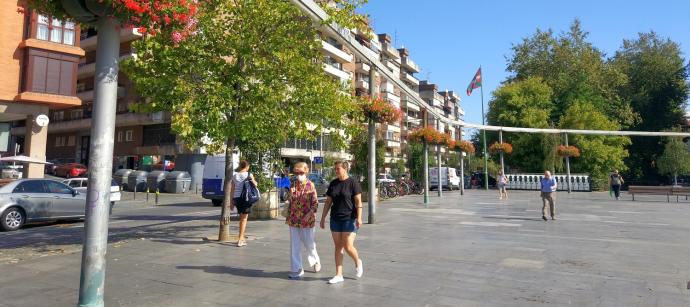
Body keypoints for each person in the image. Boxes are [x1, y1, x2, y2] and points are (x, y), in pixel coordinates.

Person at [320, 161, 363, 284]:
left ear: (345, 169)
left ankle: (358, 261)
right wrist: (323, 218)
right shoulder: (333, 183)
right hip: (335, 219)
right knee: (338, 247)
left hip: (350, 218)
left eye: (338, 169)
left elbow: (358, 202)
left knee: (347, 246)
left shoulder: (353, 183)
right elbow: (328, 202)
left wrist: (359, 218)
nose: (336, 171)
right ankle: (339, 275)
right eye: (335, 169)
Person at [286, 162, 321, 279]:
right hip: (293, 219)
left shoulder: (310, 185)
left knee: (309, 244)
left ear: (306, 172)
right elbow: (289, 201)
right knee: (294, 245)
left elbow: (315, 204)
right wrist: (290, 195)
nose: (298, 175)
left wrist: (309, 214)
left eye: (301, 172)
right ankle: (297, 269)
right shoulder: (293, 184)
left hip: (307, 220)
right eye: (296, 172)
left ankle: (315, 260)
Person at [229, 160, 258, 247]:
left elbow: (232, 190)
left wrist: (231, 202)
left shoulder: (234, 175)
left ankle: (242, 238)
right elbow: (255, 185)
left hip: (237, 198)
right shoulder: (249, 175)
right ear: (247, 166)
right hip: (246, 198)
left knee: (242, 217)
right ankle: (240, 239)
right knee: (244, 219)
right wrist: (253, 181)